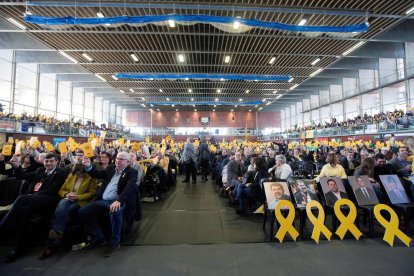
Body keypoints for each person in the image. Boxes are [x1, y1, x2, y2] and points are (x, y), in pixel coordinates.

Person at [0, 153, 68, 263]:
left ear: (56, 162)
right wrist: (17, 166)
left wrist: (33, 196)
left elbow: (53, 190)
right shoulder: (40, 171)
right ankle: (19, 247)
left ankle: (3, 227)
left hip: (49, 199)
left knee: (22, 199)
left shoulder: (61, 172)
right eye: (46, 161)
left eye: (51, 161)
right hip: (32, 201)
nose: (48, 163)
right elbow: (24, 176)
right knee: (24, 211)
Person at [79, 151, 138, 258]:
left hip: (119, 201)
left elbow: (129, 188)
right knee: (83, 211)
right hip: (102, 200)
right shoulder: (110, 168)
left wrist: (119, 201)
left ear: (128, 162)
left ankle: (115, 242)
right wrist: (88, 166)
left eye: (120, 159)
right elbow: (97, 174)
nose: (117, 160)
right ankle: (98, 237)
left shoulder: (132, 172)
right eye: (117, 158)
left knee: (115, 210)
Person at [40, 163, 97, 259]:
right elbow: (61, 190)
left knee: (63, 212)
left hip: (80, 201)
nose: (78, 175)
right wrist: (67, 194)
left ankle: (51, 244)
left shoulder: (91, 178)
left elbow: (92, 193)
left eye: (80, 174)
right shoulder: (71, 176)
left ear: (84, 172)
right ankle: (58, 234)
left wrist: (77, 196)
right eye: (76, 174)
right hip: (68, 199)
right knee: (60, 209)